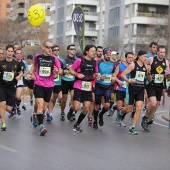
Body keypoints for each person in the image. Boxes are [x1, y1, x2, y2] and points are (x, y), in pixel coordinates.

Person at [29, 40, 61, 136]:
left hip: (49, 85)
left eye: (51, 47)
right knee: (40, 105)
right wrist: (31, 74)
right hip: (39, 84)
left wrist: (56, 73)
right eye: (48, 47)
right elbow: (34, 66)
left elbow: (59, 71)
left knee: (43, 110)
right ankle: (41, 126)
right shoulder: (37, 57)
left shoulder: (54, 59)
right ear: (43, 47)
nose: (50, 49)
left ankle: (35, 116)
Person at [116, 51, 151, 135]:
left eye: (146, 56)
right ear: (139, 56)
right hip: (131, 89)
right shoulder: (133, 65)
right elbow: (123, 75)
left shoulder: (146, 66)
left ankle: (132, 127)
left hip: (140, 90)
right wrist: (129, 81)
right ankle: (121, 112)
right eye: (144, 56)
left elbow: (149, 80)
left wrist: (149, 72)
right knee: (129, 109)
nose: (145, 58)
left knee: (138, 108)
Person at [67, 44, 99, 132]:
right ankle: (71, 110)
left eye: (95, 51)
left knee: (86, 108)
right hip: (78, 86)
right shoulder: (79, 61)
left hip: (88, 86)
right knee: (77, 107)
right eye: (92, 51)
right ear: (87, 52)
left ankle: (77, 125)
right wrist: (77, 74)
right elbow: (71, 70)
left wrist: (98, 75)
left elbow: (95, 72)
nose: (94, 53)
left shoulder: (95, 62)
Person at [141, 46, 169, 132]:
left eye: (164, 52)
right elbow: (143, 64)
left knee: (156, 105)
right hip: (151, 84)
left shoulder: (166, 62)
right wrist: (147, 70)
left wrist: (168, 74)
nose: (162, 54)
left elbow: (166, 76)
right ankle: (145, 117)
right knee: (153, 103)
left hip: (160, 85)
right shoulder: (151, 59)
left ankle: (147, 119)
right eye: (160, 52)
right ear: (157, 52)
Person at [0, 45, 22, 130]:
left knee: (9, 109)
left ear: (13, 52)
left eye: (11, 51)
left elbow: (20, 72)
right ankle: (4, 124)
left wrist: (19, 76)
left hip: (11, 87)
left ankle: (2, 112)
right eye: (8, 51)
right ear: (6, 52)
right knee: (2, 104)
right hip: (2, 86)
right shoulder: (1, 63)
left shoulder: (16, 63)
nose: (9, 53)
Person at [93, 48, 115, 129]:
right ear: (104, 55)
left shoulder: (112, 64)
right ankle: (95, 121)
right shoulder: (99, 63)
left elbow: (113, 74)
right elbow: (95, 73)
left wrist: (113, 78)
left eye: (110, 55)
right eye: (107, 55)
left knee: (107, 105)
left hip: (108, 86)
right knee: (97, 106)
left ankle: (101, 114)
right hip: (99, 85)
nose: (108, 56)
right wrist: (99, 76)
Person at [114, 52, 134, 127]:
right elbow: (114, 76)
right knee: (120, 107)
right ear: (125, 58)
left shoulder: (133, 66)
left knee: (127, 108)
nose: (130, 59)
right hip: (120, 88)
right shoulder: (120, 66)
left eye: (132, 57)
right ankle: (119, 120)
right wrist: (119, 81)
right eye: (129, 57)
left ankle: (118, 114)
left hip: (128, 89)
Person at [8, 48, 28, 117]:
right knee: (12, 97)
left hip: (20, 81)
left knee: (18, 97)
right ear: (15, 54)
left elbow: (27, 70)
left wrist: (24, 74)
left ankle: (17, 106)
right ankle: (13, 111)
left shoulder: (24, 62)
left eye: (20, 54)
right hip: (12, 82)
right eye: (17, 53)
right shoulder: (12, 61)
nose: (19, 55)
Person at [46, 45, 64, 122]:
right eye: (55, 50)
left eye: (58, 50)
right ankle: (50, 114)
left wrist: (59, 72)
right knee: (50, 98)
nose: (57, 51)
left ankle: (49, 111)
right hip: (49, 82)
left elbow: (63, 72)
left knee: (54, 99)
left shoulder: (62, 61)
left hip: (58, 82)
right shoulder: (48, 60)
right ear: (52, 51)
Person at [60, 44, 77, 121]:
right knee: (64, 100)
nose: (73, 50)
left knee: (73, 97)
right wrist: (67, 69)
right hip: (64, 81)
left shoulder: (77, 60)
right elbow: (61, 71)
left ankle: (71, 112)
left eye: (74, 49)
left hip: (73, 81)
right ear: (68, 50)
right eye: (72, 49)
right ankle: (62, 112)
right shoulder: (63, 60)